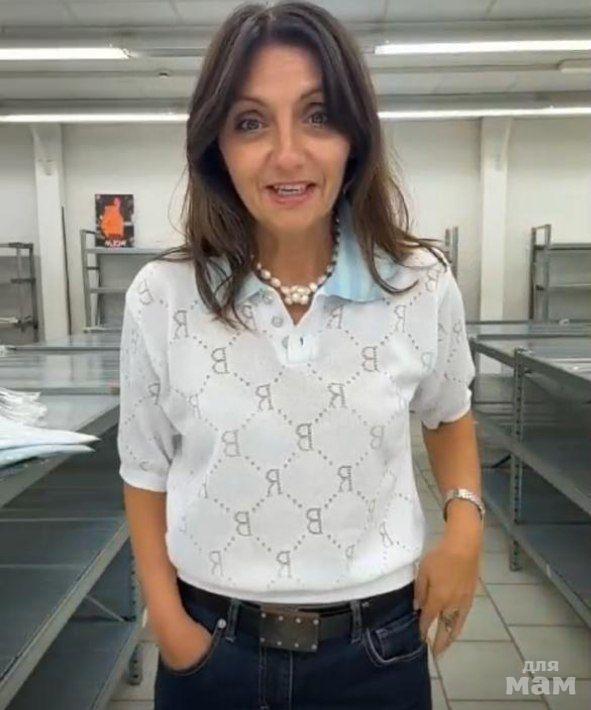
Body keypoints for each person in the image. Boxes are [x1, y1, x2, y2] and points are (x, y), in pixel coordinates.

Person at [117, 2, 484, 708]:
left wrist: (464, 528)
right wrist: (169, 624)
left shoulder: (419, 283)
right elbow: (144, 467)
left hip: (377, 651)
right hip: (210, 648)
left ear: (355, 136)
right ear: (216, 145)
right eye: (250, 122)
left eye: (317, 116)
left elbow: (448, 415)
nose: (287, 155)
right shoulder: (162, 297)